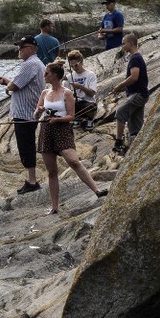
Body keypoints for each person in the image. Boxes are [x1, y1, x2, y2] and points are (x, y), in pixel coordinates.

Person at [35, 62, 109, 215]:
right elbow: (36, 115)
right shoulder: (44, 93)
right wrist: (40, 110)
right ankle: (55, 207)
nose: (44, 76)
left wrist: (57, 120)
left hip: (62, 130)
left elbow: (71, 116)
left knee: (74, 161)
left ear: (55, 75)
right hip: (46, 130)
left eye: (47, 73)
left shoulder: (67, 93)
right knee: (52, 171)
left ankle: (97, 190)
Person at [0, 35, 46, 194]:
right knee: (27, 145)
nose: (18, 50)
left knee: (26, 147)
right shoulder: (36, 63)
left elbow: (15, 86)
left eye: (22, 47)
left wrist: (7, 86)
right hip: (29, 112)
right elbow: (20, 84)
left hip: (25, 113)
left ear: (31, 49)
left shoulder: (30, 64)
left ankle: (32, 182)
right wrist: (8, 82)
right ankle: (31, 179)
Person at [111, 34, 149, 154]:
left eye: (123, 43)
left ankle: (118, 142)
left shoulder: (135, 58)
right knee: (135, 126)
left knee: (120, 112)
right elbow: (135, 81)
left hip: (138, 95)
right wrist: (120, 89)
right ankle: (138, 148)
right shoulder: (136, 58)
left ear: (130, 44)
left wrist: (119, 86)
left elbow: (134, 77)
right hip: (138, 94)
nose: (122, 45)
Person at [66, 50, 97, 130]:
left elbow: (92, 93)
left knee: (91, 106)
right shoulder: (69, 77)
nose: (74, 68)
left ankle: (90, 119)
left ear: (81, 62)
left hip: (87, 102)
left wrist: (80, 87)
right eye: (71, 66)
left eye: (76, 65)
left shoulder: (90, 75)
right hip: (75, 103)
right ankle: (77, 118)